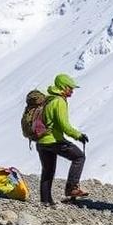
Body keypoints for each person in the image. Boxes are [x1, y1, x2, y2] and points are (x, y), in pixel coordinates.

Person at [37, 73, 90, 205]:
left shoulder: (49, 98)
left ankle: (45, 201)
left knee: (47, 171)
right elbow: (64, 125)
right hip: (54, 140)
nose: (72, 91)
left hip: (41, 141)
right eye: (70, 88)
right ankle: (71, 188)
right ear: (62, 86)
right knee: (79, 157)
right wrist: (78, 135)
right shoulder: (59, 101)